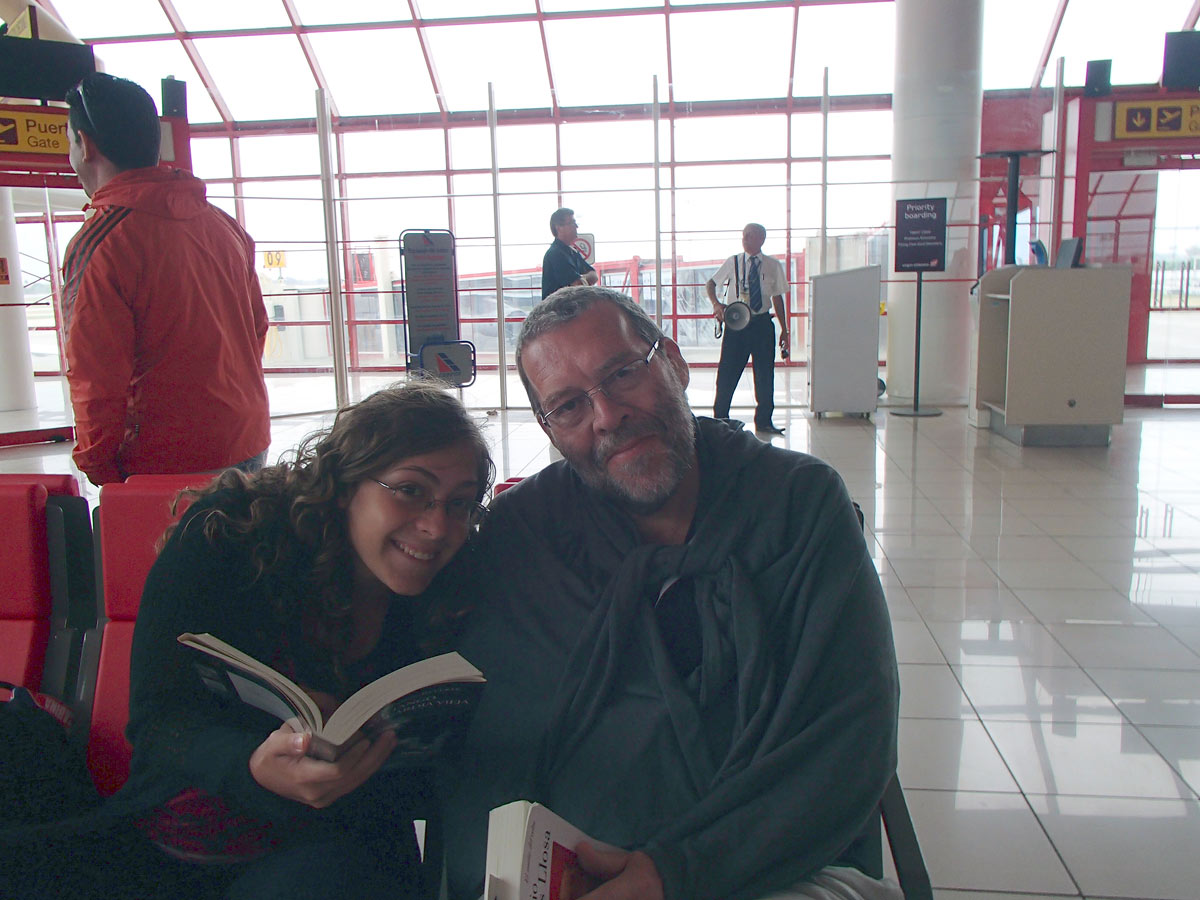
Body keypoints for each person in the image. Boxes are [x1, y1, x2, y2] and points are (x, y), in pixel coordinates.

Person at [443, 287, 900, 900]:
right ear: (549, 429)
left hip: (779, 862)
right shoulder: (528, 536)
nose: (608, 415)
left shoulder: (795, 506)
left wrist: (675, 873)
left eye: (623, 373)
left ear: (676, 363)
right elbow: (489, 747)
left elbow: (849, 737)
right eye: (570, 406)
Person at [5, 381, 493, 900]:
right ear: (348, 483)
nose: (438, 526)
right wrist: (251, 766)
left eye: (459, 504)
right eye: (411, 490)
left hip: (332, 855)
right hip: (168, 844)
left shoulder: (452, 594)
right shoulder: (231, 536)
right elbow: (158, 721)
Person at [62, 72, 270, 486]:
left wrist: (100, 467)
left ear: (86, 146)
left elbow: (95, 376)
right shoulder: (222, 226)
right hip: (246, 440)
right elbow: (256, 330)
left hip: (164, 459)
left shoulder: (104, 242)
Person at [706, 223, 790, 435]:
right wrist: (717, 304)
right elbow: (711, 283)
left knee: (764, 374)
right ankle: (720, 420)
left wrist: (784, 329)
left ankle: (764, 421)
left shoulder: (773, 265)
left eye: (750, 235)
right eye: (744, 235)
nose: (745, 238)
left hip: (762, 324)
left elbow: (778, 298)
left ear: (761, 239)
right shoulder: (733, 262)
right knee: (727, 373)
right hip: (736, 324)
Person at [541, 207, 598, 299]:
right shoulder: (555, 254)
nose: (576, 226)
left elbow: (594, 275)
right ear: (558, 228)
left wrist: (582, 279)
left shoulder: (572, 252)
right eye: (572, 223)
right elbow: (578, 285)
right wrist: (583, 279)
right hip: (557, 311)